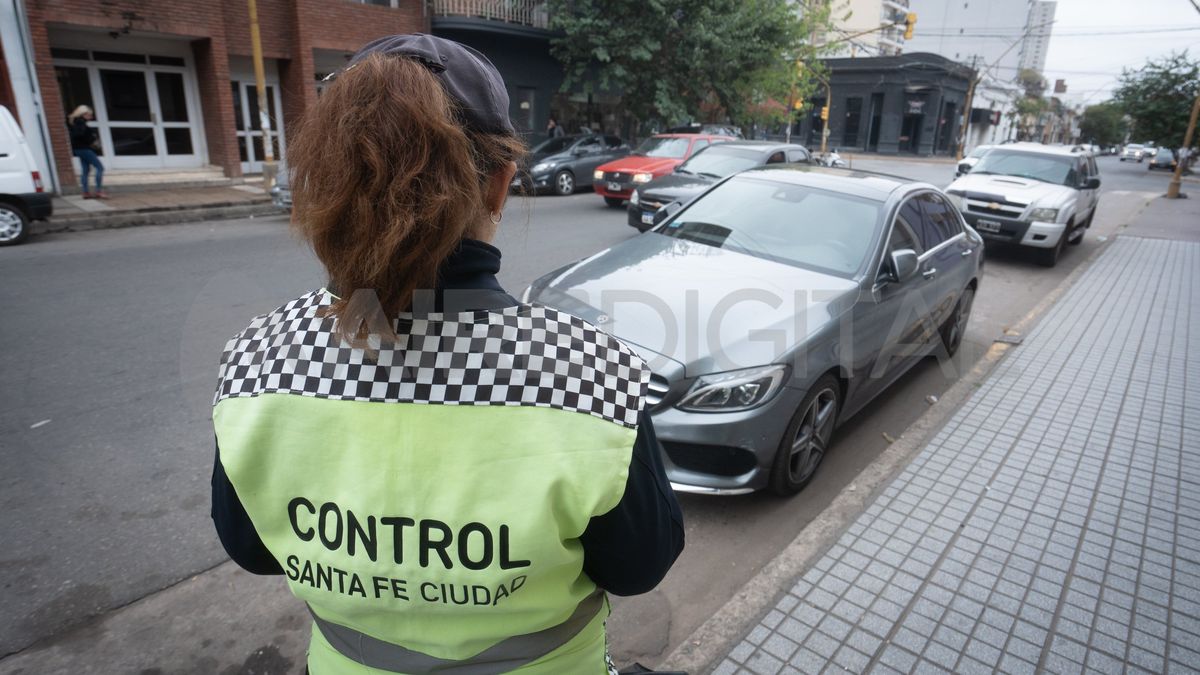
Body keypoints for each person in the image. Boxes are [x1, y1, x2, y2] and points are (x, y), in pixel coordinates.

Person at [210, 33, 684, 675]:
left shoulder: (258, 361)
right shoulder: (592, 375)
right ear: (499, 187)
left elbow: (254, 550)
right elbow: (638, 567)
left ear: (328, 185)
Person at [67, 105, 106, 199]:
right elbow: (80, 135)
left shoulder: (76, 122)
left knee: (85, 170)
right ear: (83, 114)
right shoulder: (81, 123)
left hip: (79, 149)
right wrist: (91, 138)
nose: (91, 117)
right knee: (100, 167)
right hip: (84, 149)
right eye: (89, 115)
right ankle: (98, 191)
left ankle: (85, 193)